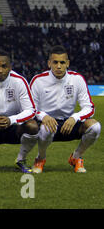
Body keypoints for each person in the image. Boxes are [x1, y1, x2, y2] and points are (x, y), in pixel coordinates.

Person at [30, 45, 100, 173]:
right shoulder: (38, 80)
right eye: (55, 62)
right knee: (46, 128)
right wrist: (43, 116)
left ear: (67, 63)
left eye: (62, 62)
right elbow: (30, 108)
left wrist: (75, 117)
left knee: (95, 127)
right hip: (47, 123)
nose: (58, 66)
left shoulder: (77, 79)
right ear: (49, 63)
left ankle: (76, 157)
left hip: (69, 123)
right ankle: (40, 158)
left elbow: (89, 107)